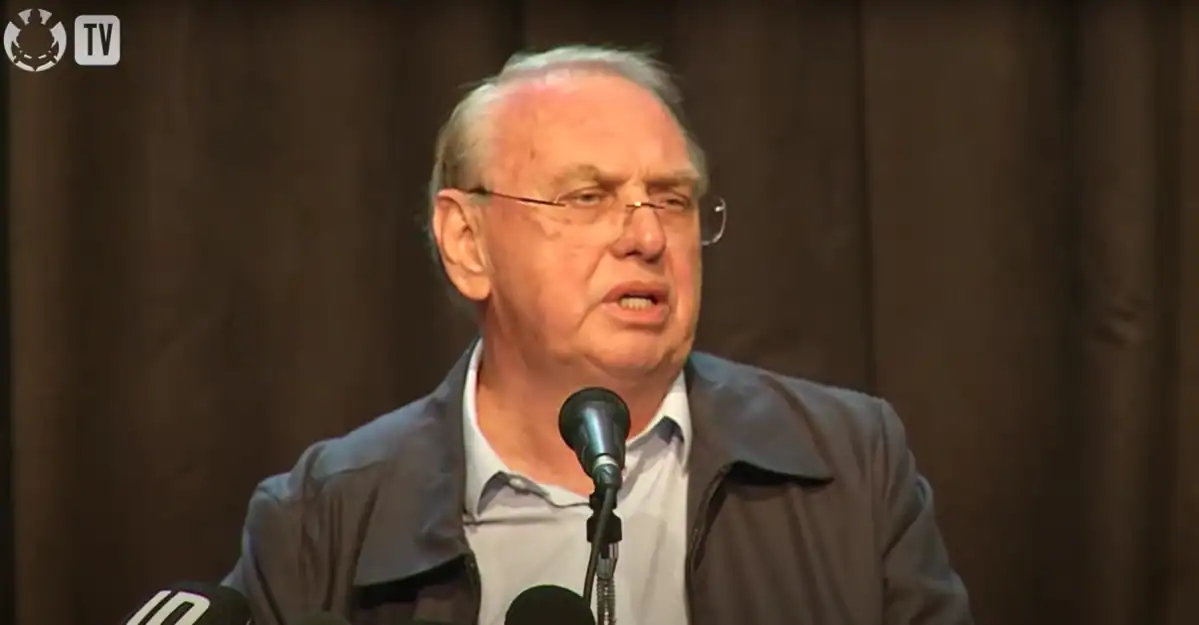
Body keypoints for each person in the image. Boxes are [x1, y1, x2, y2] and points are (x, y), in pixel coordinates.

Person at [223, 45, 974, 625]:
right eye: (587, 197)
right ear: (467, 243)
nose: (647, 237)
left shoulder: (849, 466)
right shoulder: (320, 521)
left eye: (671, 199)